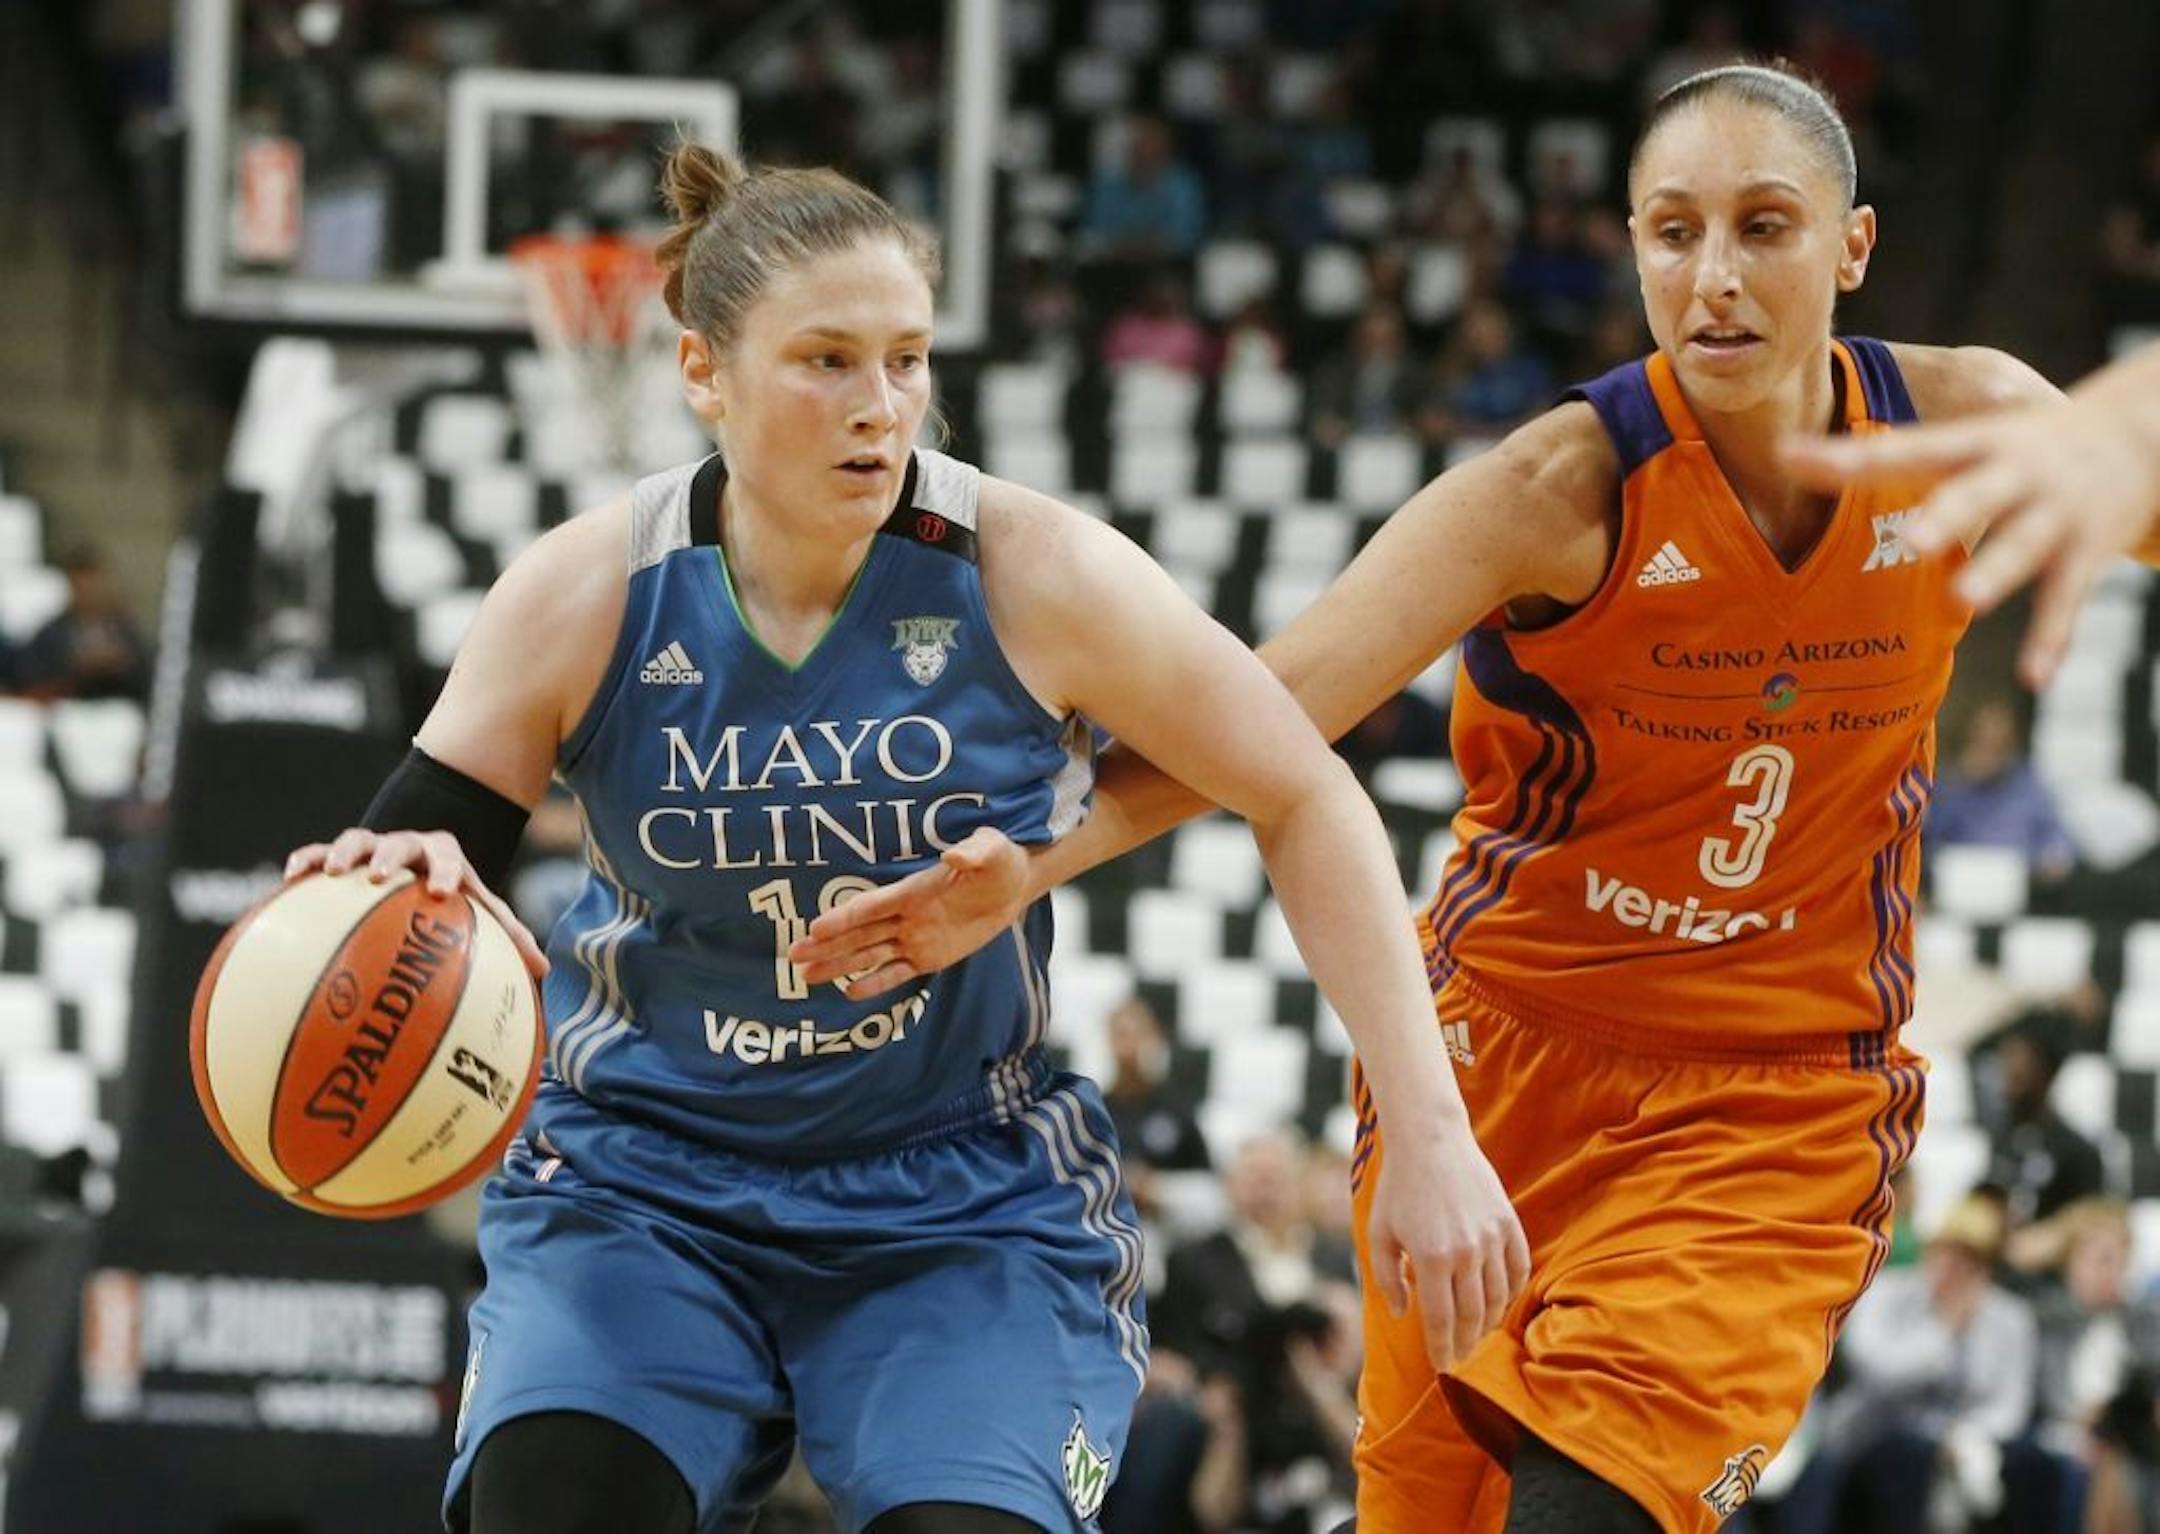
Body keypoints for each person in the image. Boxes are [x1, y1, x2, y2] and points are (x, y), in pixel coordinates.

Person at [790, 62, 2140, 1533]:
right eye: (1673, 232)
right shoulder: (1557, 487)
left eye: (1767, 227)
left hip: (1780, 1098)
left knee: (1595, 1506)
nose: (1716, 278)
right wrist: (1040, 861)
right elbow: (1275, 702)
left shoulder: (1969, 427)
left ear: (1854, 247)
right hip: (1495, 1069)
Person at [282, 144, 1523, 1534]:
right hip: (643, 1180)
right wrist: (400, 877)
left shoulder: (1031, 570)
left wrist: (1428, 1130)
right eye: (826, 361)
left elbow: (1309, 793)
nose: (880, 408)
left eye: (908, 360)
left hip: (952, 1196)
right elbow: (411, 854)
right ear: (704, 370)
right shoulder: (586, 592)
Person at [1780, 334, 2160, 688]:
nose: (1720, 282)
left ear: (1854, 258)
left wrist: (2138, 428)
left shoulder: (1981, 401)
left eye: (1769, 254)